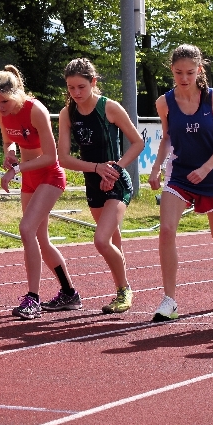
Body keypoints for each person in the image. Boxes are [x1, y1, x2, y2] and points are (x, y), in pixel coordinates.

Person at [148, 44, 213, 321]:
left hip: (211, 173)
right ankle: (169, 299)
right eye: (179, 72)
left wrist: (206, 169)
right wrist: (157, 167)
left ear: (199, 70)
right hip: (180, 174)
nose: (184, 78)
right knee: (167, 230)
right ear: (172, 70)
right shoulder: (164, 102)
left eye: (190, 72)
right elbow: (167, 137)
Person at [0, 65, 78, 320]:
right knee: (40, 238)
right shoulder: (0, 111)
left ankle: (33, 298)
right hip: (28, 175)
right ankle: (70, 293)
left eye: (4, 101)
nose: (0, 107)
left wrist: (16, 170)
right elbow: (8, 139)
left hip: (49, 174)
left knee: (26, 229)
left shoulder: (35, 110)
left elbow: (51, 156)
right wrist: (10, 152)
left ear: (16, 94)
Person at [57, 58, 144, 314]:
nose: (76, 93)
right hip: (94, 184)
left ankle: (125, 289)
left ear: (93, 82)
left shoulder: (110, 108)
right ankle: (121, 292)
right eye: (71, 88)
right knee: (113, 241)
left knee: (101, 240)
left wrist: (115, 168)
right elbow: (64, 158)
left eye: (81, 87)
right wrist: (96, 168)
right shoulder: (67, 113)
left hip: (117, 184)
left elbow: (137, 143)